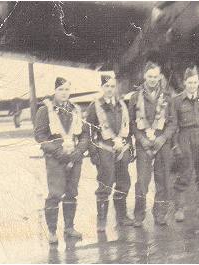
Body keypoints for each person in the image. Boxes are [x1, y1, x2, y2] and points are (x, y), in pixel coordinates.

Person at [34, 77, 88, 244]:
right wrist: (57, 151)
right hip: (55, 157)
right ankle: (51, 231)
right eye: (61, 90)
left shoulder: (76, 109)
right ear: (55, 91)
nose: (64, 93)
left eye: (67, 89)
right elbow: (40, 136)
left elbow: (85, 134)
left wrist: (79, 151)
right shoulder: (45, 110)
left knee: (72, 192)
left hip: (74, 156)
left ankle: (69, 227)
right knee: (55, 193)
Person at [128, 61, 177, 227]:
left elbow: (172, 122)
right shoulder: (135, 97)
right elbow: (132, 123)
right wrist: (141, 140)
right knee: (142, 181)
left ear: (160, 77)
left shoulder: (167, 96)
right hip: (143, 144)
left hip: (161, 142)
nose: (153, 80)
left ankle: (160, 214)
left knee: (162, 180)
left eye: (156, 77)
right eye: (150, 76)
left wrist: (162, 139)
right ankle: (139, 215)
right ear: (144, 76)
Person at [86, 72, 134, 233]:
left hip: (122, 149)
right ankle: (101, 220)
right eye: (106, 86)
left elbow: (129, 127)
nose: (110, 89)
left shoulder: (121, 104)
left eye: (112, 86)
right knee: (105, 185)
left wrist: (130, 147)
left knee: (123, 182)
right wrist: (93, 153)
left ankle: (122, 217)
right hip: (105, 150)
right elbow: (88, 132)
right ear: (101, 87)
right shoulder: (95, 106)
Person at [171, 66, 199, 222]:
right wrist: (175, 145)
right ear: (184, 83)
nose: (192, 85)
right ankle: (179, 209)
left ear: (198, 83)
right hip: (185, 138)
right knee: (185, 172)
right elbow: (173, 125)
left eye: (195, 82)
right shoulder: (176, 101)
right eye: (189, 82)